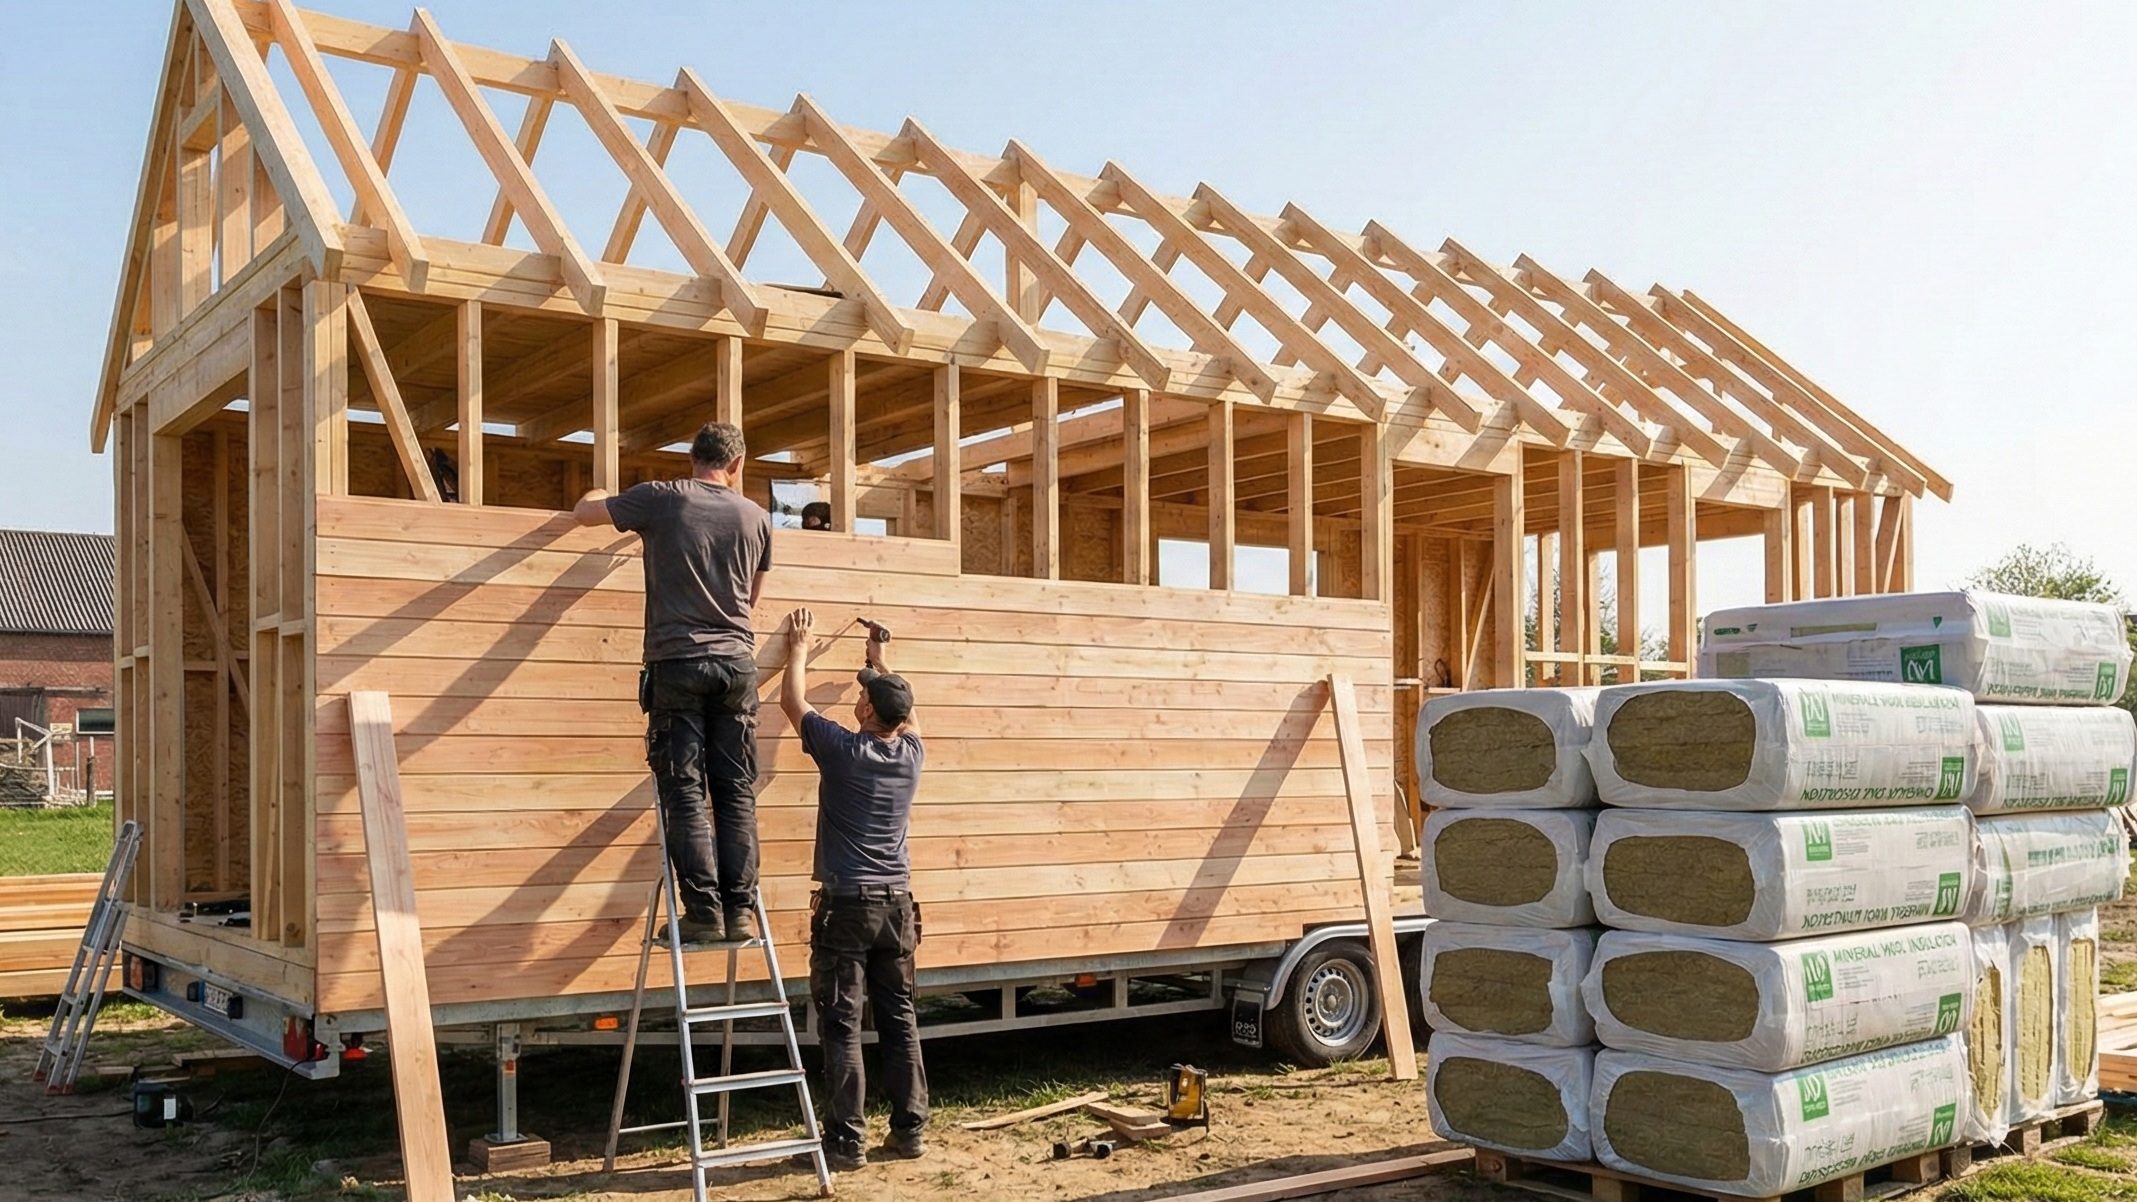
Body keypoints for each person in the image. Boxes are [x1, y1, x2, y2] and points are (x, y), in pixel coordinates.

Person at [572, 422, 771, 944]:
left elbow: (585, 514)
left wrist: (598, 493)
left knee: (685, 792)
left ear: (692, 458)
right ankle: (740, 912)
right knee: (735, 794)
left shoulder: (661, 499)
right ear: (738, 464)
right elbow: (751, 602)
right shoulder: (756, 517)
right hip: (736, 666)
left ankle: (703, 913)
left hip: (677, 664)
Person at [777, 607, 928, 1171]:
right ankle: (910, 1133)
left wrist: (798, 647)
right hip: (897, 906)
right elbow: (904, 711)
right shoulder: (911, 754)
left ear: (866, 710)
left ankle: (846, 1144)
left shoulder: (843, 752)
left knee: (842, 1025)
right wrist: (879, 662)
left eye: (864, 696)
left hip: (847, 906)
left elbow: (794, 704)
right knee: (899, 1017)